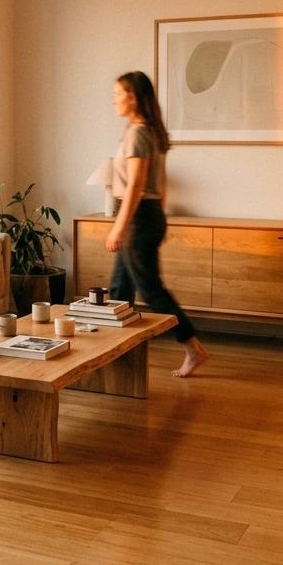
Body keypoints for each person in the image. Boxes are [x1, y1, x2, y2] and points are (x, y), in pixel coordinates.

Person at [105, 71, 209, 378]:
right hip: (148, 215)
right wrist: (156, 217)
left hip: (137, 216)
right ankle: (120, 356)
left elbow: (137, 184)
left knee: (151, 291)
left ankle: (193, 347)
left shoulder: (138, 134)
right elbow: (160, 184)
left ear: (133, 97)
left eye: (117, 94)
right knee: (119, 290)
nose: (113, 99)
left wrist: (120, 227)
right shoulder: (148, 131)